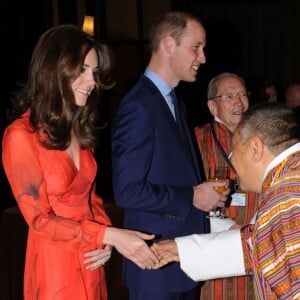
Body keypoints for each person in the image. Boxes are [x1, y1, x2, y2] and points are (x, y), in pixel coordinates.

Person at [1, 24, 159, 300]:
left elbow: (91, 199)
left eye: (94, 72)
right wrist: (109, 236)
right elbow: (40, 220)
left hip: (91, 259)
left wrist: (103, 237)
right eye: (83, 70)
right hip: (54, 266)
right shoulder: (20, 134)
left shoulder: (77, 127)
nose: (92, 81)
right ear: (55, 68)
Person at [111, 11, 230, 300]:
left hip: (181, 265)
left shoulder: (172, 100)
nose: (202, 58)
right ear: (168, 44)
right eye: (196, 47)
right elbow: (127, 192)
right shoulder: (139, 106)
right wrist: (191, 195)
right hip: (155, 269)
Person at [151, 102, 300, 299]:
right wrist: (178, 249)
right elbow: (261, 245)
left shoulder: (285, 198)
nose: (231, 159)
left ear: (255, 148)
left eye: (235, 149)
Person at [194, 72, 259, 299]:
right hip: (215, 249)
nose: (239, 102)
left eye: (242, 95)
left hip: (256, 245)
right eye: (229, 96)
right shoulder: (197, 141)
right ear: (213, 107)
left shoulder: (262, 139)